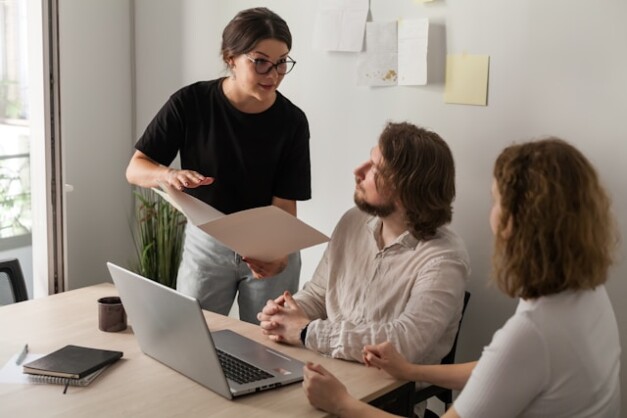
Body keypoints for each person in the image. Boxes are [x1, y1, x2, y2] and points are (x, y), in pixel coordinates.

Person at [303, 138, 621, 418]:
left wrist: (342, 403)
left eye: (496, 201)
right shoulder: (587, 293)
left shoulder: (532, 332)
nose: (491, 213)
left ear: (516, 223)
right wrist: (411, 370)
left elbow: (513, 358)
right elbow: (496, 370)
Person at [125, 8, 311, 324]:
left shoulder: (292, 121)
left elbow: (284, 205)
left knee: (270, 346)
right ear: (230, 58)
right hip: (207, 246)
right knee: (191, 335)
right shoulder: (190, 102)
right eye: (261, 61)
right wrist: (168, 174)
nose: (273, 73)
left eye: (282, 62)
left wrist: (278, 257)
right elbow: (136, 169)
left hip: (268, 244)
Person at [258, 122, 470, 369]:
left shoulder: (444, 258)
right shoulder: (353, 221)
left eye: (376, 170)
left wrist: (307, 332)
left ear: (406, 189)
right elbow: (319, 294)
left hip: (390, 389)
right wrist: (284, 314)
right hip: (330, 364)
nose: (358, 171)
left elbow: (405, 344)